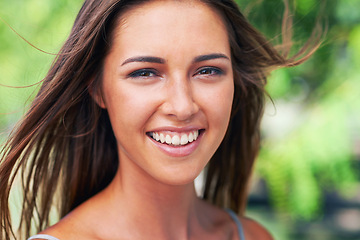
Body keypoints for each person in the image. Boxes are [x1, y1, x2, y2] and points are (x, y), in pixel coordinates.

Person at [0, 0, 321, 239]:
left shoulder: (252, 236)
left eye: (208, 70)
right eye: (145, 73)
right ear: (97, 87)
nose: (182, 107)